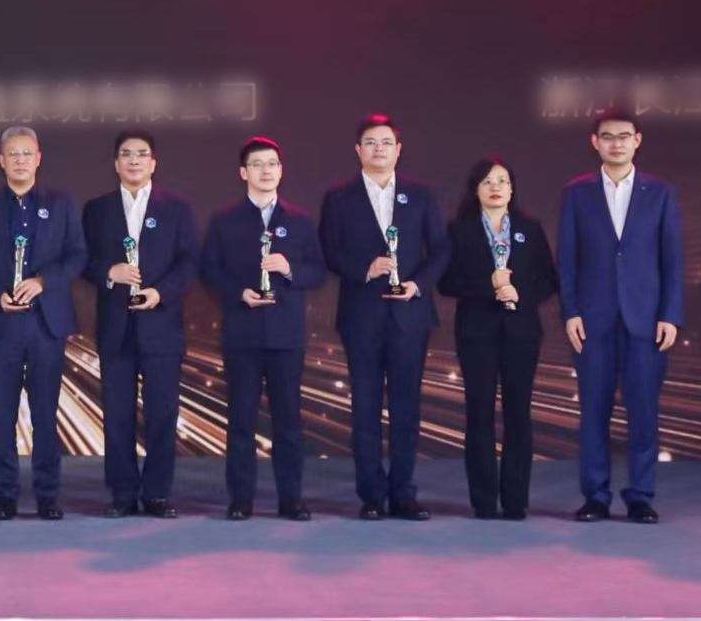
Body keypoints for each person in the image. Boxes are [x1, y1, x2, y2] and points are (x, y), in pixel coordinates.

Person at [319, 114, 449, 521]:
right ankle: (372, 495)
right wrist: (364, 268)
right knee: (365, 408)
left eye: (386, 142)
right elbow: (328, 251)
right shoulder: (339, 197)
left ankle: (404, 493)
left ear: (398, 149)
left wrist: (418, 285)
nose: (379, 149)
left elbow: (441, 249)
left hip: (410, 315)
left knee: (407, 408)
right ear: (358, 150)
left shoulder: (421, 194)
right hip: (362, 316)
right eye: (371, 143)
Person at [558, 108, 683, 525]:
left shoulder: (660, 192)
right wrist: (570, 311)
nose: (616, 143)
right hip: (592, 321)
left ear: (637, 140)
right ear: (595, 142)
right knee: (593, 413)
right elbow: (568, 258)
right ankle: (595, 496)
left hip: (646, 321)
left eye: (624, 136)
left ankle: (640, 496)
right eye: (608, 136)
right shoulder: (576, 193)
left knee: (643, 413)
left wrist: (670, 314)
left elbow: (672, 259)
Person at [201, 136, 327, 520]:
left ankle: (291, 499)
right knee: (241, 421)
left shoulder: (299, 221)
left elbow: (318, 272)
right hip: (242, 334)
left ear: (281, 170)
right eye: (257, 164)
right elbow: (209, 271)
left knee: (289, 423)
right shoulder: (224, 220)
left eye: (272, 164)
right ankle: (241, 499)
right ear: (244, 173)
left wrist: (290, 270)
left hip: (286, 336)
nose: (265, 170)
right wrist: (238, 292)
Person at [0, 125, 85, 521]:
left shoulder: (62, 204)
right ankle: (6, 494)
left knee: (45, 413)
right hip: (1, 322)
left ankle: (48, 495)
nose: (20, 160)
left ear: (39, 158)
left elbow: (77, 255)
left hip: (46, 323)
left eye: (27, 153)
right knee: (3, 414)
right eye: (13, 154)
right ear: (1, 161)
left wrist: (42, 282)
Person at [81, 129, 197, 518]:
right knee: (117, 415)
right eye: (126, 154)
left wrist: (161, 292)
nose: (134, 161)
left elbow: (189, 262)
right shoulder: (97, 209)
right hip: (116, 327)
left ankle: (158, 493)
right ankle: (122, 494)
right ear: (116, 163)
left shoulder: (177, 208)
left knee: (163, 414)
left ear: (154, 162)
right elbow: (81, 259)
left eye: (142, 154)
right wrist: (109, 272)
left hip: (161, 326)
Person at [439, 158, 555, 520]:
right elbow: (446, 282)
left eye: (503, 181)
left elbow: (549, 281)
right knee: (479, 413)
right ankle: (484, 500)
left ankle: (516, 499)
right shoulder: (458, 230)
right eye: (488, 181)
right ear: (475, 189)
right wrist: (488, 286)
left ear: (512, 188)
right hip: (476, 332)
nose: (496, 187)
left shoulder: (530, 228)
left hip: (522, 333)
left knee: (519, 413)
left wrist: (520, 294)